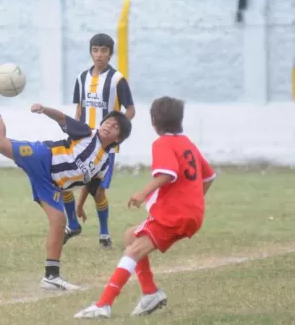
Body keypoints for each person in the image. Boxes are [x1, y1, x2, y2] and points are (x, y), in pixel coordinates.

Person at [0, 83, 132, 290]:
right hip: (43, 157)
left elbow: (91, 187)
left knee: (59, 222)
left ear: (119, 138)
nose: (108, 125)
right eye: (108, 121)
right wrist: (44, 110)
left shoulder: (104, 163)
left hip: (50, 184)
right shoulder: (88, 133)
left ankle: (51, 277)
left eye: (115, 126)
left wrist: (79, 207)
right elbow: (63, 119)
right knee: (0, 143)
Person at [74, 96, 216, 319]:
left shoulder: (162, 143)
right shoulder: (187, 143)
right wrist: (193, 201)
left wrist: (143, 192)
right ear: (180, 120)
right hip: (192, 214)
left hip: (174, 214)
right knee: (131, 236)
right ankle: (150, 292)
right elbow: (209, 176)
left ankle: (103, 305)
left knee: (133, 251)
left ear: (153, 122)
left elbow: (168, 173)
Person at [64, 33, 135, 249]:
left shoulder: (117, 80)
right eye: (95, 50)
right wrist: (72, 132)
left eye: (104, 50)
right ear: (90, 52)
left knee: (98, 190)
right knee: (64, 182)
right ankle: (73, 223)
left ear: (110, 53)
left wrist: (116, 131)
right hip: (83, 141)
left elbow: (130, 110)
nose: (99, 54)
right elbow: (79, 109)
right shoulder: (81, 78)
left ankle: (104, 234)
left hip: (105, 147)